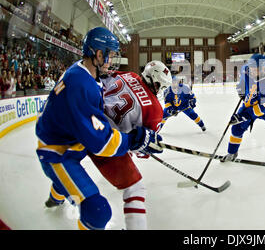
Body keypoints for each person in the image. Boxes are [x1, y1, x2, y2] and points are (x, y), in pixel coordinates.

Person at [35, 27, 164, 230]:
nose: (111, 61)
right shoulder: (81, 84)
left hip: (70, 143)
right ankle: (59, 188)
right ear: (99, 54)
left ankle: (56, 195)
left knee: (70, 181)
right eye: (110, 56)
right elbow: (101, 142)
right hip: (58, 153)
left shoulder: (84, 73)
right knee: (98, 212)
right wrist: (133, 140)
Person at [93, 60, 172, 229]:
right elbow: (142, 151)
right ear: (155, 81)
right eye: (161, 86)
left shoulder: (130, 75)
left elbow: (102, 80)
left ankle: (57, 195)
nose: (161, 90)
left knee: (69, 159)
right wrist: (147, 149)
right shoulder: (156, 110)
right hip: (111, 143)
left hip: (91, 122)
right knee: (135, 190)